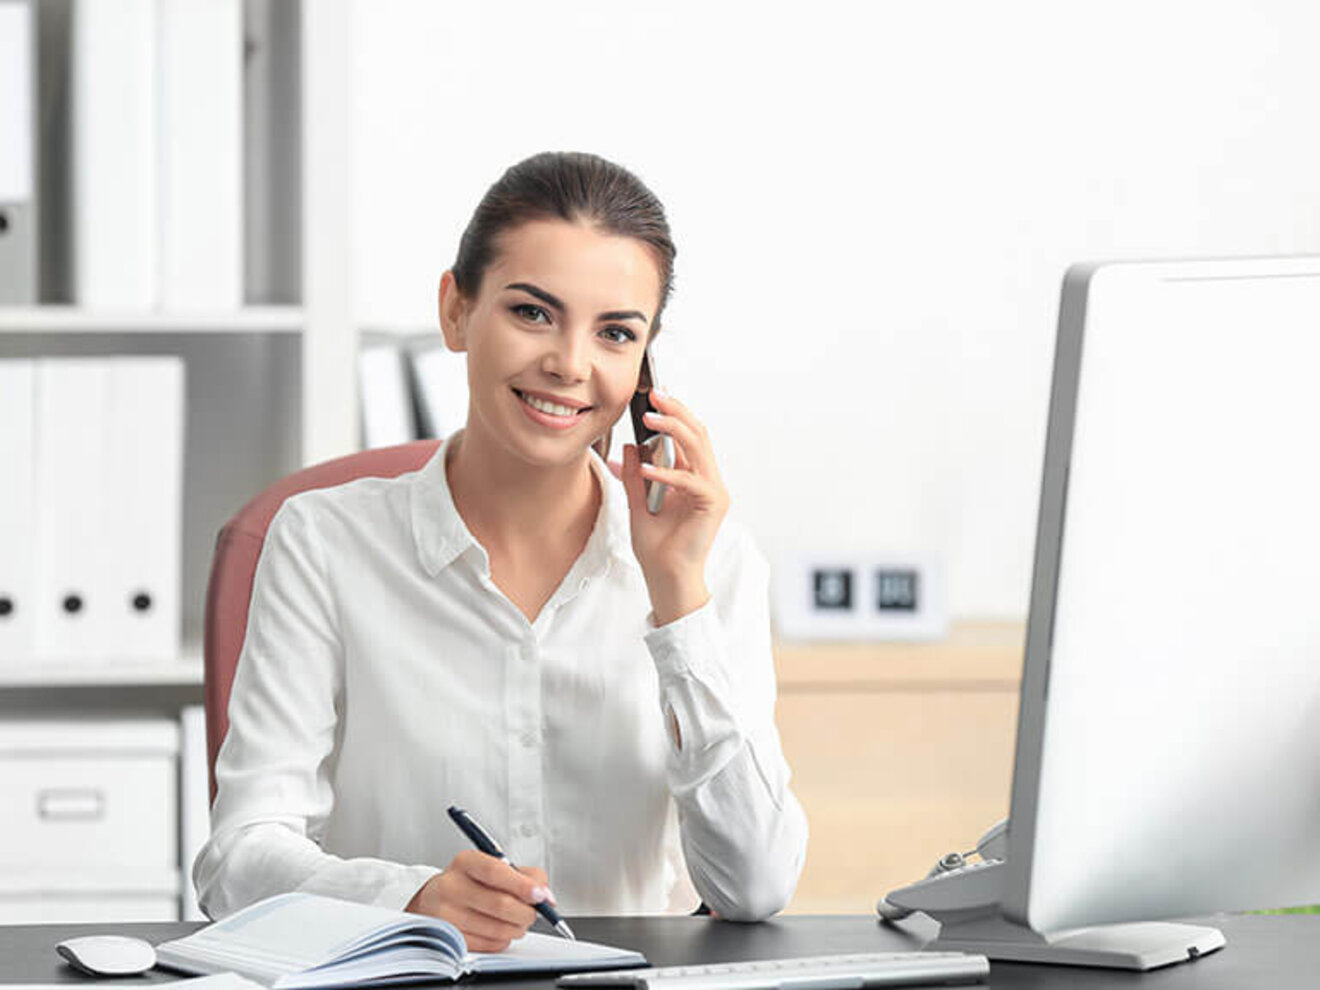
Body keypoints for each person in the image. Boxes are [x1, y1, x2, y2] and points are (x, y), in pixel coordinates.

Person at [194, 151, 808, 950]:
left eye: (616, 333)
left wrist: (677, 594)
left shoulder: (712, 563)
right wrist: (406, 897)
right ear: (456, 311)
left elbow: (756, 885)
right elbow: (237, 860)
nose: (570, 364)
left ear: (645, 367)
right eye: (532, 313)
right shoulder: (322, 542)